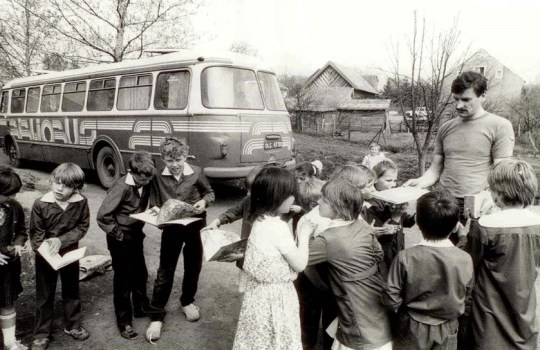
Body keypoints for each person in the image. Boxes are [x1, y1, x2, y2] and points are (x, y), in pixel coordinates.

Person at [404, 71, 514, 245]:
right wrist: (419, 182)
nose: (458, 105)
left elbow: (502, 173)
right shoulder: (445, 128)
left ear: (483, 96)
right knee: (443, 257)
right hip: (445, 203)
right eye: (456, 99)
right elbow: (435, 169)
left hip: (478, 205)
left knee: (473, 259)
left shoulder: (500, 126)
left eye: (466, 99)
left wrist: (488, 199)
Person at [295, 164, 375, 350]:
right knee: (307, 327)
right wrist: (322, 287)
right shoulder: (319, 220)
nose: (364, 192)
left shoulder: (344, 214)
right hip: (313, 281)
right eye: (361, 188)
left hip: (332, 281)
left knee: (332, 326)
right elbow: (306, 263)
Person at [307, 179, 392, 350]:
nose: (318, 202)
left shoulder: (328, 239)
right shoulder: (362, 225)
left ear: (337, 207)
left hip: (353, 307)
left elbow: (297, 261)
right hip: (374, 301)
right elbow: (378, 254)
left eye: (324, 199)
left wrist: (303, 234)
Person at [232, 167, 311, 350]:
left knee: (259, 340)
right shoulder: (278, 227)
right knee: (278, 339)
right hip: (275, 297)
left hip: (257, 295)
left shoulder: (259, 219)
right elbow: (299, 265)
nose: (294, 198)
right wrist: (304, 234)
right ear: (278, 196)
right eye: (291, 194)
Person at [384, 191, 474, 350]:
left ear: (417, 222)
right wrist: (463, 238)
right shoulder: (465, 258)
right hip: (447, 327)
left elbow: (391, 300)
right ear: (455, 228)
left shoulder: (405, 257)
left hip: (411, 326)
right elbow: (466, 295)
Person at [145, 137, 215, 342]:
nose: (174, 165)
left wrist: (203, 201)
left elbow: (209, 192)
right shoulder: (158, 176)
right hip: (172, 227)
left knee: (193, 265)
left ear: (185, 156)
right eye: (169, 160)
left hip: (195, 224)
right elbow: (155, 201)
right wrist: (156, 212)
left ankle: (187, 301)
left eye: (178, 160)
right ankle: (156, 314)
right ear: (163, 159)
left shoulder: (197, 172)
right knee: (165, 269)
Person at [466, 159, 540, 350]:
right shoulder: (537, 224)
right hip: (523, 304)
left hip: (489, 309)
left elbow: (469, 264)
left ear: (499, 193)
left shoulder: (484, 225)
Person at [96, 151, 157, 340]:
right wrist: (119, 235)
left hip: (136, 234)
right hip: (120, 237)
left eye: (148, 178)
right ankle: (124, 321)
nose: (145, 182)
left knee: (140, 273)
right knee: (123, 279)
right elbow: (102, 216)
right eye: (141, 179)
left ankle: (140, 307)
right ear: (132, 172)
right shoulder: (121, 187)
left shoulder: (145, 181)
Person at [29, 163, 90, 350]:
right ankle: (41, 333)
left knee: (72, 290)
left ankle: (72, 325)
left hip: (70, 254)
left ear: (76, 188)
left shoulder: (81, 202)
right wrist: (46, 248)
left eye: (65, 185)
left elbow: (82, 226)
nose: (59, 188)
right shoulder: (41, 204)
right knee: (45, 294)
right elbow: (35, 234)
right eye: (56, 183)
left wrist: (61, 241)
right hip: (46, 257)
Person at [365, 159, 415, 274]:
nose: (393, 184)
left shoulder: (392, 196)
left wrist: (414, 218)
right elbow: (382, 233)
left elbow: (404, 220)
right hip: (383, 252)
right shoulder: (371, 204)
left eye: (395, 180)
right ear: (375, 179)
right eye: (388, 180)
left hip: (397, 247)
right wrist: (396, 217)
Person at [0, 166, 28, 350]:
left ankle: (10, 342)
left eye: (15, 194)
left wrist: (18, 243)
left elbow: (21, 230)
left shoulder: (14, 207)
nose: (13, 198)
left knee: (7, 302)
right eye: (8, 194)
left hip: (7, 269)